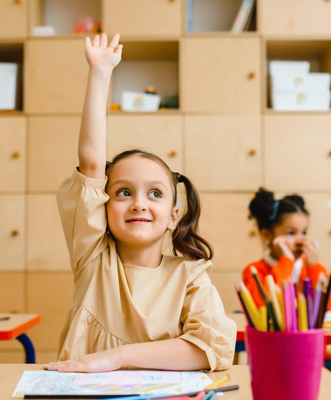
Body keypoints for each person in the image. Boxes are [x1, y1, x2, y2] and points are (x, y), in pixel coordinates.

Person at [44, 33, 236, 374]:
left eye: (155, 194)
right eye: (123, 192)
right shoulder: (93, 258)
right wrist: (99, 74)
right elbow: (90, 163)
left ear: (173, 216)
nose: (138, 204)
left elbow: (210, 349)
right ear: (102, 205)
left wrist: (118, 358)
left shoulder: (190, 276)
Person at [242, 188, 331, 400]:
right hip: (276, 362)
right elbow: (262, 307)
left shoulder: (308, 268)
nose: (300, 240)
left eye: (304, 232)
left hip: (318, 360)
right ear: (267, 234)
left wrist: (315, 268)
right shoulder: (255, 271)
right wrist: (285, 262)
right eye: (290, 233)